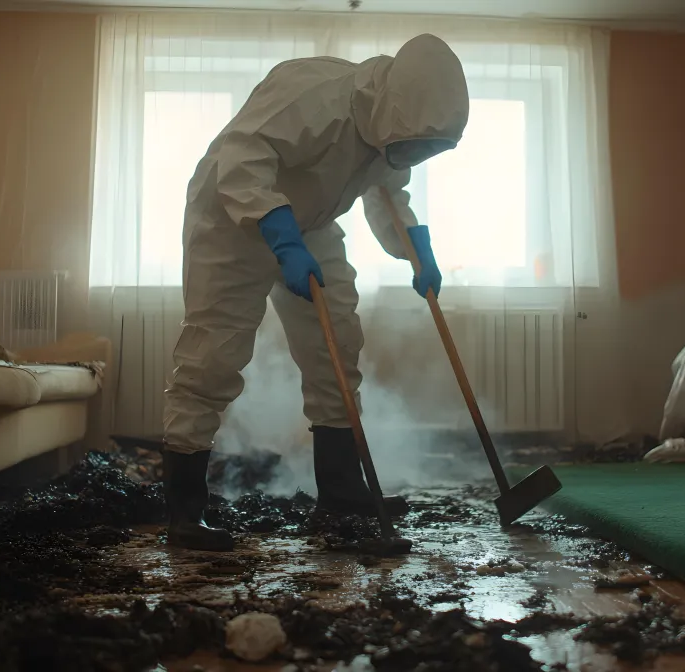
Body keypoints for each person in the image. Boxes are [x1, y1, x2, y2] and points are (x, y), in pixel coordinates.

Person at [161, 34, 470, 551]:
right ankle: (185, 514)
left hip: (309, 224)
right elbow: (242, 157)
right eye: (416, 146)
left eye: (426, 149)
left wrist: (416, 250)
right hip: (231, 221)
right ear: (396, 111)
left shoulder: (393, 132)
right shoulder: (316, 95)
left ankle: (342, 493)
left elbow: (390, 193)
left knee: (337, 347)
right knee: (213, 356)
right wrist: (280, 236)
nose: (415, 154)